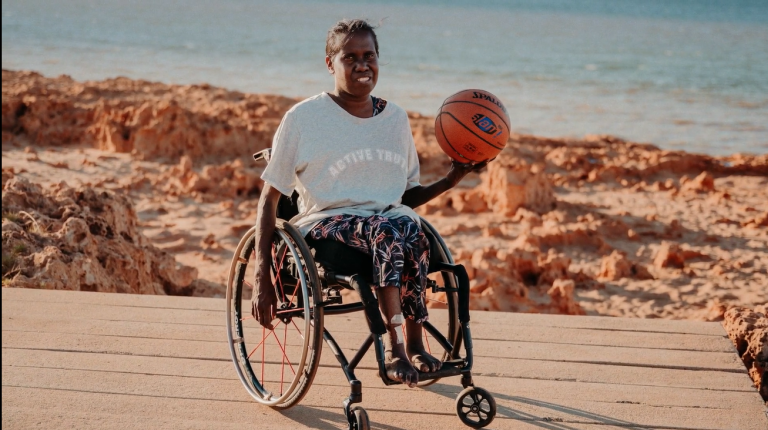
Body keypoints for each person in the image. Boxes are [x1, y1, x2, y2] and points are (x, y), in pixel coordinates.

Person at [251, 18, 485, 387]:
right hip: (325, 222)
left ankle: (415, 343)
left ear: (378, 59)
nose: (362, 64)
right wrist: (261, 273)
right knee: (390, 230)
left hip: (387, 222)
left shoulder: (395, 119)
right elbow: (269, 197)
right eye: (350, 57)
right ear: (330, 64)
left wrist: (452, 178)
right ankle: (395, 350)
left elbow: (406, 197)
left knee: (411, 227)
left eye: (369, 55)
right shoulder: (303, 118)